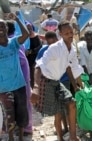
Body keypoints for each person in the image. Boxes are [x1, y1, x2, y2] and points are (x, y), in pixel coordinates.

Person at [31, 20, 83, 141]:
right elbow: (38, 66)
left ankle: (73, 137)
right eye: (66, 33)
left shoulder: (72, 49)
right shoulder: (54, 49)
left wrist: (77, 85)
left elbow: (72, 68)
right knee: (58, 114)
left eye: (71, 32)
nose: (70, 35)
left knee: (72, 103)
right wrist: (36, 88)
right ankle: (60, 138)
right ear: (60, 34)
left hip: (56, 81)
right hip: (46, 80)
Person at [0, 13, 29, 141]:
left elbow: (26, 34)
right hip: (4, 88)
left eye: (2, 26)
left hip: (19, 85)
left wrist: (16, 19)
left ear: (7, 28)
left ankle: (21, 137)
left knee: (22, 113)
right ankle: (11, 138)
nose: (0, 29)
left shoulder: (14, 43)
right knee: (9, 115)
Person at [35, 31, 69, 134]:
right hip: (52, 81)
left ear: (56, 39)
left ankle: (68, 128)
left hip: (64, 79)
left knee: (67, 104)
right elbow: (38, 66)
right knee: (58, 108)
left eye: (53, 42)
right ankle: (62, 130)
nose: (51, 46)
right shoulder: (43, 51)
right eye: (49, 43)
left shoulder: (63, 48)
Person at [6, 20, 33, 136]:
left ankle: (26, 128)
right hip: (18, 79)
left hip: (20, 79)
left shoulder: (12, 42)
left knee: (23, 104)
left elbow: (22, 61)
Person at [25, 21, 42, 89]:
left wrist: (31, 51)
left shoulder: (36, 36)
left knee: (34, 76)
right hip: (27, 60)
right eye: (27, 28)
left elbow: (40, 47)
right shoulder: (23, 38)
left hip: (35, 59)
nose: (29, 29)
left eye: (30, 27)